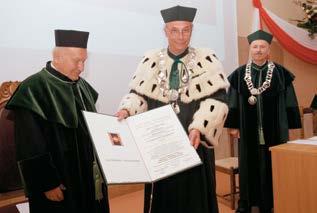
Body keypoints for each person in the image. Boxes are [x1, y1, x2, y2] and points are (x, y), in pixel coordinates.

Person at [116, 5, 229, 213]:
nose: (180, 36)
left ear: (192, 30)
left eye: (186, 30)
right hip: (159, 143)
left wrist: (199, 128)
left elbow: (218, 98)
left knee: (195, 198)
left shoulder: (207, 58)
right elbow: (138, 94)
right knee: (164, 197)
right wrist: (127, 109)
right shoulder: (151, 60)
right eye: (174, 30)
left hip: (193, 142)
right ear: (165, 31)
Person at [6, 30, 109, 213]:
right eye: (77, 60)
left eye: (84, 61)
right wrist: (46, 183)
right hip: (59, 184)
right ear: (58, 57)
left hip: (88, 179)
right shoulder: (33, 89)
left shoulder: (82, 86)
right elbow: (29, 144)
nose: (81, 67)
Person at [224, 30, 302, 213]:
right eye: (255, 46)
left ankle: (271, 201)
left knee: (272, 163)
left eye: (262, 47)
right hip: (247, 129)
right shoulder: (239, 74)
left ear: (268, 49)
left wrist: (290, 126)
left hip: (275, 128)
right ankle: (247, 202)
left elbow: (290, 100)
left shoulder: (281, 73)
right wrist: (234, 125)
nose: (258, 50)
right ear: (250, 48)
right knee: (248, 164)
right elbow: (233, 101)